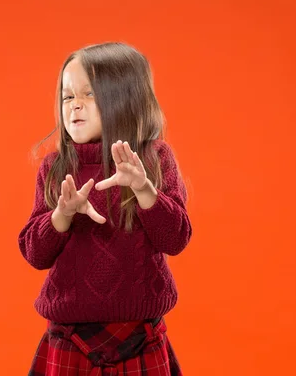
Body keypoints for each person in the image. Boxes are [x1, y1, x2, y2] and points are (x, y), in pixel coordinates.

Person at [19, 42, 192, 375]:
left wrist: (144, 189)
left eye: (89, 95)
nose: (75, 106)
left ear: (125, 100)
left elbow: (177, 239)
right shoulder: (56, 167)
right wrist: (62, 214)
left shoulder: (155, 159)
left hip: (141, 335)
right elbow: (34, 254)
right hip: (68, 338)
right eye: (68, 96)